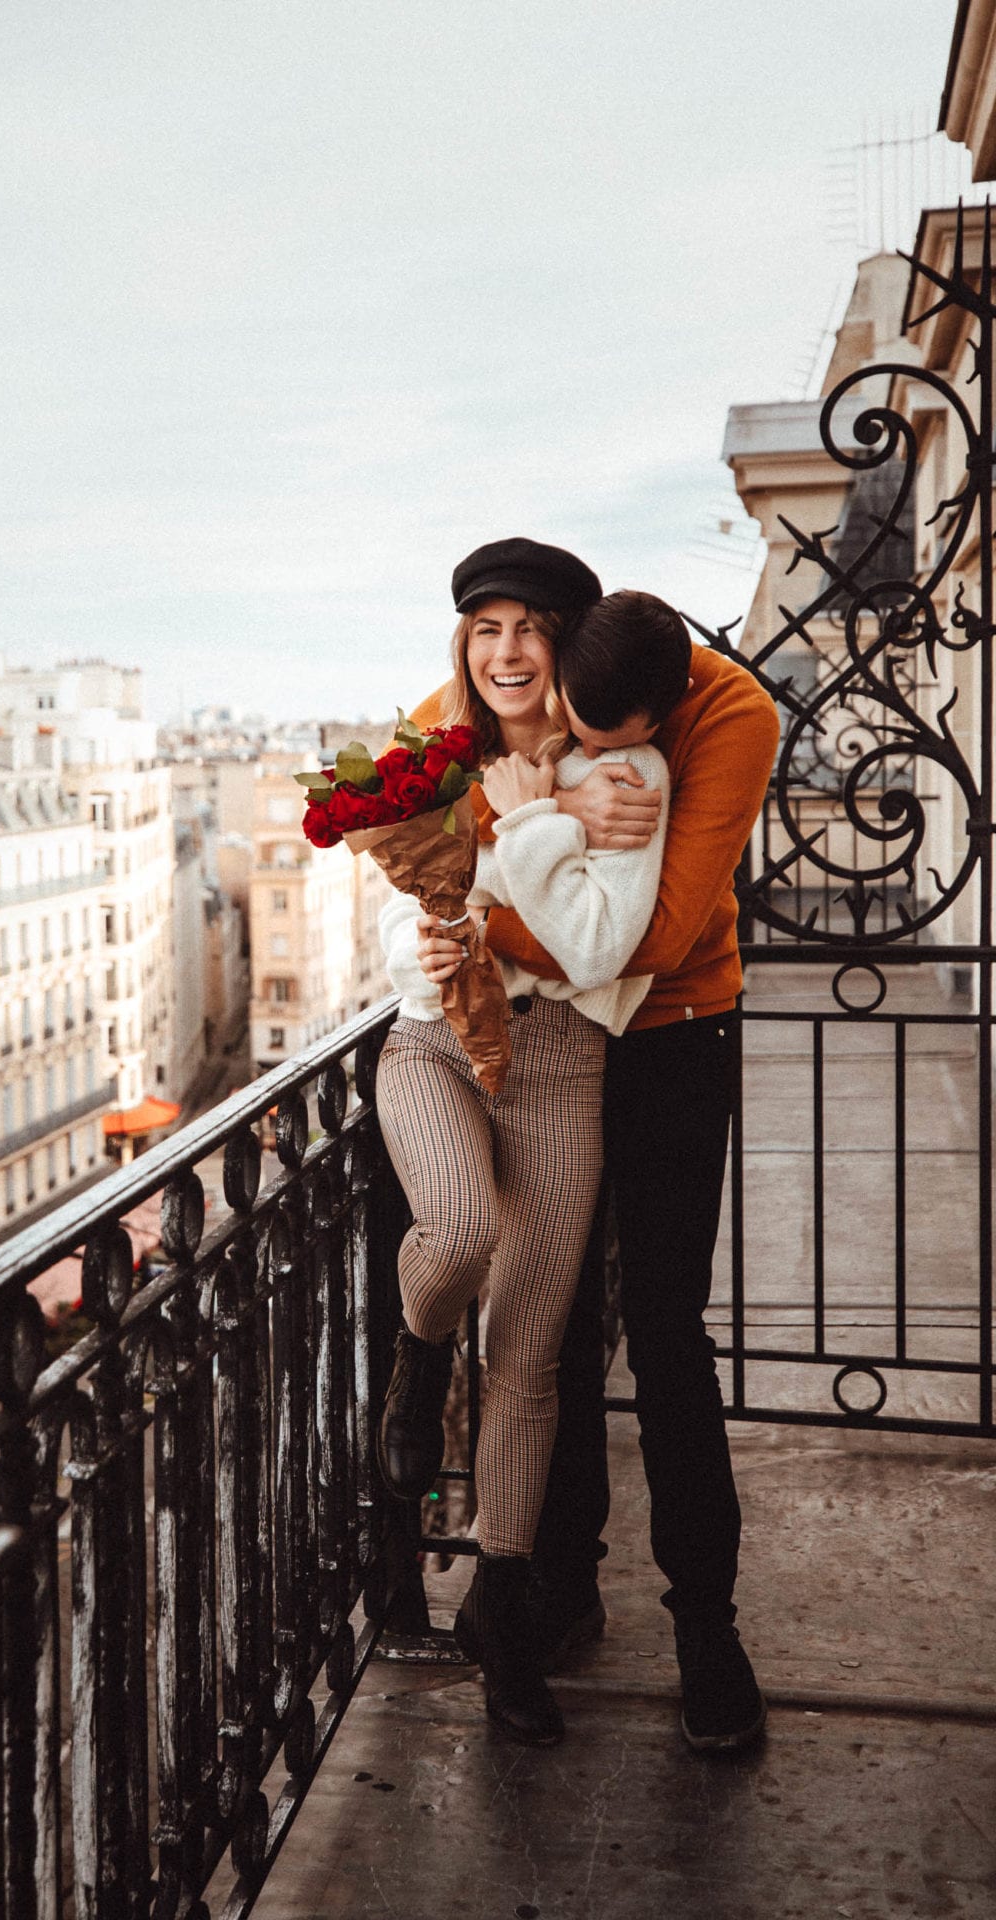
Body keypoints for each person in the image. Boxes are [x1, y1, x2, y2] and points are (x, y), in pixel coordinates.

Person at [402, 563, 780, 1755]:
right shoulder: (518, 684)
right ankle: (552, 1583)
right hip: (548, 1036)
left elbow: (653, 939)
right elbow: (411, 827)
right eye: (561, 709)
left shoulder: (730, 716)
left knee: (666, 1329)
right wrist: (525, 840)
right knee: (548, 1326)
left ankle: (706, 1631)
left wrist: (501, 870)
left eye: (608, 737)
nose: (570, 736)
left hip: (669, 1031)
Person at [375, 542, 690, 1745]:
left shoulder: (628, 771)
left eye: (527, 629)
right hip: (431, 1047)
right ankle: (414, 1356)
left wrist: (535, 829)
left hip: (564, 1069)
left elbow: (603, 951)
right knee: (454, 1234)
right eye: (482, 629)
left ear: (566, 642)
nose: (503, 652)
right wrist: (532, 832)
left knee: (532, 1360)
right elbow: (409, 946)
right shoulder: (437, 763)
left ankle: (502, 1620)